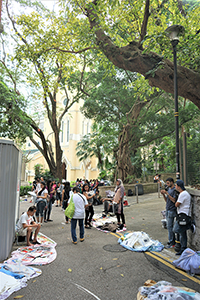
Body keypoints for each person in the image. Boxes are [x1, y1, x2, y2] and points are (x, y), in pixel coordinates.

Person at [173, 180, 191, 255]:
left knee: (176, 229)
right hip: (182, 215)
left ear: (179, 186)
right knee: (182, 233)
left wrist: (176, 202)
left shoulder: (183, 194)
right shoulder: (183, 193)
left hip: (183, 216)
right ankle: (183, 249)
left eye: (176, 185)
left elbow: (176, 204)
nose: (175, 186)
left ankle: (190, 226)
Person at [160, 178, 177, 248]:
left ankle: (171, 242)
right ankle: (172, 240)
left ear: (172, 182)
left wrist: (167, 193)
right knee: (169, 226)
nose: (167, 184)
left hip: (172, 210)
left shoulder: (174, 190)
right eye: (166, 183)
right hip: (167, 209)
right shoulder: (169, 189)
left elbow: (174, 200)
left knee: (170, 227)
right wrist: (164, 195)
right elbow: (167, 200)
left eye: (168, 183)